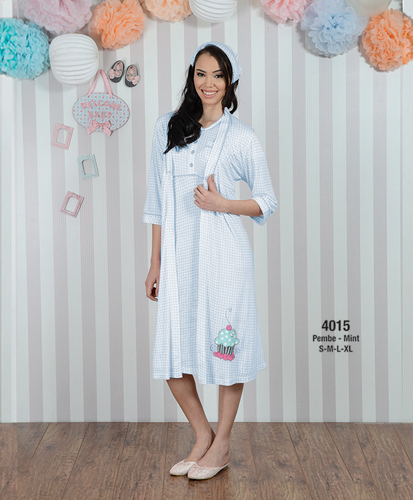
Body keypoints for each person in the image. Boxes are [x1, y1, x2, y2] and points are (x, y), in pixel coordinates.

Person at [142, 41, 277, 480]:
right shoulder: (168, 127)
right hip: (178, 260)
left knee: (225, 353)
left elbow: (267, 201)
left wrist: (224, 204)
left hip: (224, 260)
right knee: (173, 355)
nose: (209, 83)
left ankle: (222, 446)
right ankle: (203, 437)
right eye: (201, 73)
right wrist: (155, 263)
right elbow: (157, 202)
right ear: (192, 77)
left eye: (218, 75)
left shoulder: (241, 137)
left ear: (230, 81)